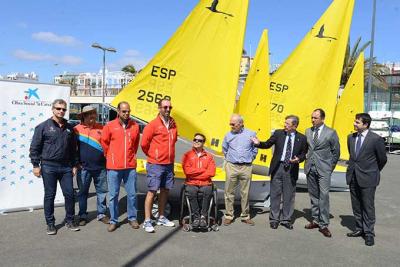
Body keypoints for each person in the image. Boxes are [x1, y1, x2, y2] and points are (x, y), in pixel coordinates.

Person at [29, 99, 80, 235]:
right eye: (58, 108)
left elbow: (73, 149)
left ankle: (70, 220)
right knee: (50, 196)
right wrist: (35, 165)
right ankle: (50, 224)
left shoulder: (70, 128)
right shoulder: (43, 127)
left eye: (63, 109)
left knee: (69, 195)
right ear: (53, 109)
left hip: (65, 168)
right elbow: (35, 147)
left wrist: (75, 165)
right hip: (48, 167)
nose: (61, 111)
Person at [252, 115, 307, 229]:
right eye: (285, 123)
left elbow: (303, 154)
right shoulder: (278, 133)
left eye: (287, 123)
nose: (284, 125)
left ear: (294, 126)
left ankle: (286, 219)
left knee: (289, 195)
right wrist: (258, 143)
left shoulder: (302, 138)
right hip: (278, 167)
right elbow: (267, 144)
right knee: (275, 194)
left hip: (291, 168)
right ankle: (274, 219)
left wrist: (298, 159)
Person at [346, 113, 387, 246]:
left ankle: (369, 233)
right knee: (356, 205)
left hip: (368, 178)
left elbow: (382, 159)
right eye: (355, 121)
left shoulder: (375, 139)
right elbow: (353, 157)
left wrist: (372, 171)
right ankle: (359, 228)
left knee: (368, 206)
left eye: (357, 122)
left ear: (366, 124)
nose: (354, 124)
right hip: (353, 176)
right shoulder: (350, 138)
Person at [101, 101, 140, 232]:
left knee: (132, 194)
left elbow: (135, 144)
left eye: (128, 111)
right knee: (113, 195)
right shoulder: (110, 126)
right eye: (124, 111)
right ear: (118, 111)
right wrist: (111, 156)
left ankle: (132, 218)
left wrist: (131, 156)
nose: (126, 113)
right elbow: (104, 143)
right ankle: (113, 220)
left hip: (130, 167)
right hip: (114, 167)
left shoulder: (134, 126)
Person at [141, 98, 178, 233]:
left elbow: (173, 141)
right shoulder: (152, 125)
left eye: (169, 107)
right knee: (152, 191)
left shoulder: (174, 125)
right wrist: (153, 156)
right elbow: (144, 144)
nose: (168, 110)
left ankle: (161, 217)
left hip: (169, 164)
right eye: (165, 107)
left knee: (165, 191)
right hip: (156, 164)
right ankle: (147, 221)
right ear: (159, 108)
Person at [304, 108, 340, 238]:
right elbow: (307, 148)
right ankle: (315, 220)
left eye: (315, 118)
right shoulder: (308, 131)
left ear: (322, 119)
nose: (313, 120)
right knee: (314, 195)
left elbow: (336, 152)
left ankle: (324, 224)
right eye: (312, 117)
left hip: (324, 169)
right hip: (310, 167)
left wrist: (330, 167)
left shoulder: (330, 133)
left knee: (323, 195)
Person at [74, 105, 109, 226]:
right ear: (83, 116)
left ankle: (102, 214)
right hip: (83, 168)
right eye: (89, 114)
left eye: (94, 113)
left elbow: (108, 147)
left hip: (101, 168)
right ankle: (82, 215)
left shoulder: (102, 128)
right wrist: (76, 163)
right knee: (83, 193)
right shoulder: (76, 129)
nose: (92, 115)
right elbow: (72, 149)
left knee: (102, 191)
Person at [222, 114, 258, 226]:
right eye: (230, 124)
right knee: (229, 192)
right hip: (232, 166)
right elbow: (225, 149)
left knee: (245, 193)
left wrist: (251, 157)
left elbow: (255, 147)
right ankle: (229, 215)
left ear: (241, 123)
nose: (231, 126)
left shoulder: (251, 134)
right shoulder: (228, 135)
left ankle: (245, 216)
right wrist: (230, 159)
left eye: (233, 124)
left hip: (246, 167)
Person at [182, 133, 216, 228]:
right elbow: (187, 171)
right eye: (195, 140)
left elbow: (211, 172)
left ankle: (203, 217)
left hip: (205, 183)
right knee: (192, 191)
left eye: (199, 140)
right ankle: (196, 217)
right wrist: (203, 171)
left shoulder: (209, 156)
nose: (196, 141)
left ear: (203, 143)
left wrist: (196, 174)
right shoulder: (187, 155)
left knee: (207, 191)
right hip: (191, 183)